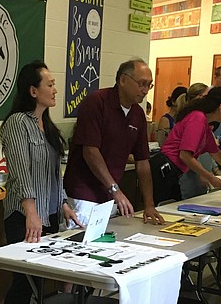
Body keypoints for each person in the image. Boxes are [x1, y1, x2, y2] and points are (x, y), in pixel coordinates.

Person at [0, 61, 79, 304]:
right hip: (25, 215)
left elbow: (54, 174)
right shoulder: (18, 123)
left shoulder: (49, 127)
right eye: (50, 84)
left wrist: (65, 203)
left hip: (50, 213)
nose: (56, 89)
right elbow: (19, 170)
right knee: (23, 279)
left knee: (41, 279)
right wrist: (31, 212)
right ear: (33, 91)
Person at [63, 58, 165, 225]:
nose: (145, 90)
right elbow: (90, 151)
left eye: (149, 85)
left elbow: (143, 161)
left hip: (110, 195)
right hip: (84, 193)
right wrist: (115, 189)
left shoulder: (137, 114)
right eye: (141, 84)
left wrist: (149, 204)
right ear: (123, 80)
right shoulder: (97, 102)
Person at [149, 87, 221, 204]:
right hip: (165, 168)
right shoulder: (197, 119)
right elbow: (185, 155)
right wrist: (210, 177)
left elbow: (215, 152)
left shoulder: (205, 124)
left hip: (174, 171)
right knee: (164, 207)